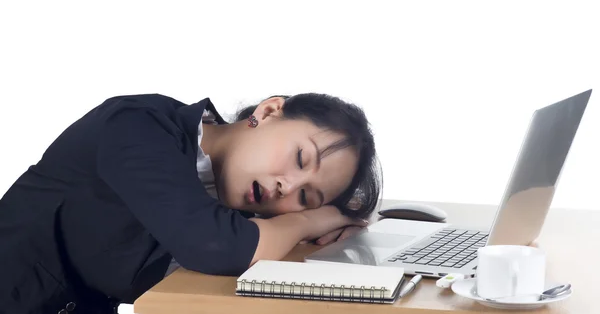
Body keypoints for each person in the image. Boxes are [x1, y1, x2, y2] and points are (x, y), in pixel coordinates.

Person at [0, 92, 381, 314]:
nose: (287, 186)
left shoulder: (236, 203)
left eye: (305, 197)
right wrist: (312, 219)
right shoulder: (139, 126)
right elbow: (217, 247)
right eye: (300, 158)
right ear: (267, 112)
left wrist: (335, 229)